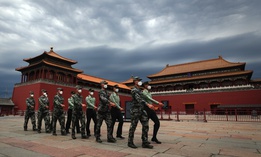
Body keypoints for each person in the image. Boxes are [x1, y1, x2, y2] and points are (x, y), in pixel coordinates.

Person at [127, 76, 154, 149]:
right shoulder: (134, 90)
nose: (139, 81)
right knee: (133, 126)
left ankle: (145, 142)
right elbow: (139, 99)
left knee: (146, 125)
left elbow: (144, 98)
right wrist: (148, 104)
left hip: (142, 110)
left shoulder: (140, 90)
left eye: (140, 80)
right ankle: (130, 142)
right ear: (135, 81)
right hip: (135, 110)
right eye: (138, 80)